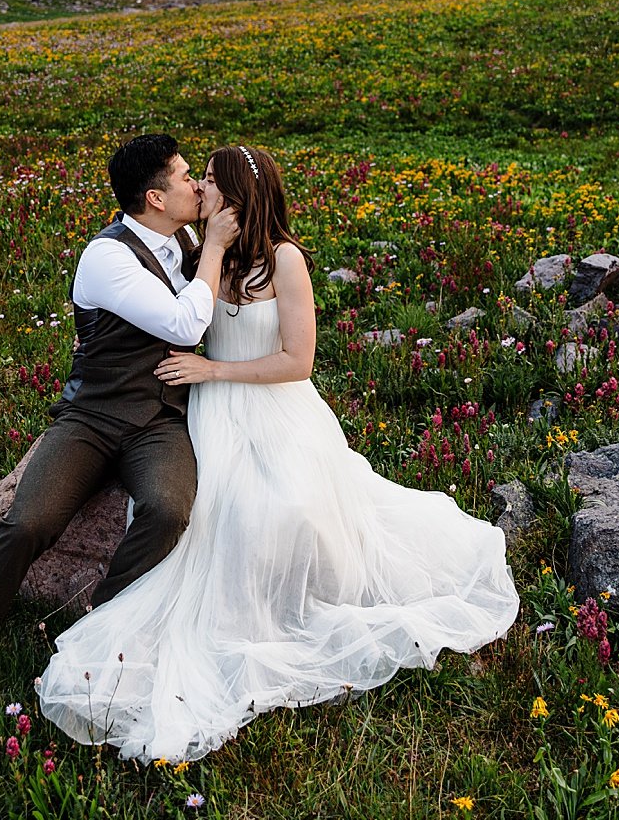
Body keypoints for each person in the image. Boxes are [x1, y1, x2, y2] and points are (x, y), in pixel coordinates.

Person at [35, 144, 519, 763]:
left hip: (271, 407)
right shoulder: (195, 256)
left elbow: (299, 361)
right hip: (209, 416)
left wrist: (212, 369)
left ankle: (289, 609)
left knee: (289, 507)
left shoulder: (284, 260)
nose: (199, 191)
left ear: (237, 199)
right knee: (211, 513)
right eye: (195, 180)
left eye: (209, 182)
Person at [0, 134, 240, 754]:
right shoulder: (107, 257)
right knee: (26, 524)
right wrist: (217, 249)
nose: (195, 186)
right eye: (185, 178)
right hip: (92, 417)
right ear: (155, 197)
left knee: (167, 509)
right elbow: (184, 322)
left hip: (158, 419)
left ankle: (97, 631)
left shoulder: (179, 238)